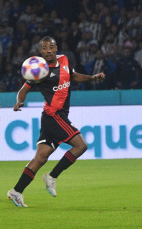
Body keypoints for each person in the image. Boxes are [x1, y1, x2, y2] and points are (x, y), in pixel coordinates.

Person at [7, 36, 105, 207]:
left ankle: (16, 191)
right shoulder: (39, 70)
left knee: (41, 158)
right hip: (54, 116)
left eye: (51, 47)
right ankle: (52, 176)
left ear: (56, 48)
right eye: (45, 48)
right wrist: (19, 101)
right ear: (40, 51)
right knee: (81, 146)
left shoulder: (64, 59)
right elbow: (24, 89)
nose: (49, 50)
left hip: (55, 117)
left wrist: (92, 78)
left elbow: (72, 76)